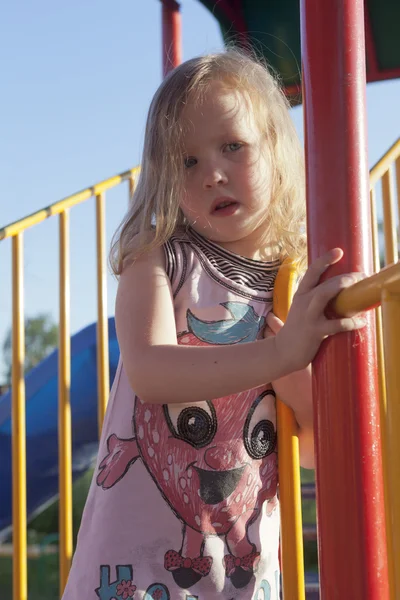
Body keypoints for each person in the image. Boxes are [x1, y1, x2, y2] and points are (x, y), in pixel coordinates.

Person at [62, 49, 365, 600]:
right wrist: (281, 355)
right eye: (187, 161)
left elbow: (318, 450)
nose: (213, 174)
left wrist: (298, 388)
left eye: (233, 147)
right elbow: (151, 370)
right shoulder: (156, 259)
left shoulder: (292, 282)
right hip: (136, 567)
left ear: (277, 150)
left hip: (243, 570)